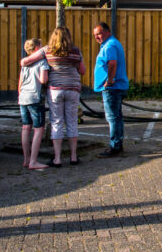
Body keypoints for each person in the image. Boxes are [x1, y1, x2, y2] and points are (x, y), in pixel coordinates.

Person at [21, 27, 85, 167]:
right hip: (73, 89)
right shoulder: (76, 51)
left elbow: (25, 62)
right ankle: (73, 157)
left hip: (55, 89)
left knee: (56, 122)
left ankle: (57, 159)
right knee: (72, 122)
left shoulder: (46, 50)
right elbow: (82, 71)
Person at [93, 22, 129, 158]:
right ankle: (118, 144)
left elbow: (112, 63)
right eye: (95, 35)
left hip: (112, 87)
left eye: (99, 33)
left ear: (107, 32)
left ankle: (115, 146)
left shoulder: (109, 45)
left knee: (112, 117)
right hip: (117, 86)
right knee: (117, 117)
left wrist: (109, 80)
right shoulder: (112, 43)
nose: (97, 37)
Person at [18, 38, 50, 170]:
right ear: (37, 49)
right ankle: (34, 161)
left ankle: (26, 159)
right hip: (35, 97)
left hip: (23, 97)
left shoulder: (25, 64)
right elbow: (43, 80)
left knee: (26, 127)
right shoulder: (42, 62)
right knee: (38, 129)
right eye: (41, 46)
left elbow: (20, 83)